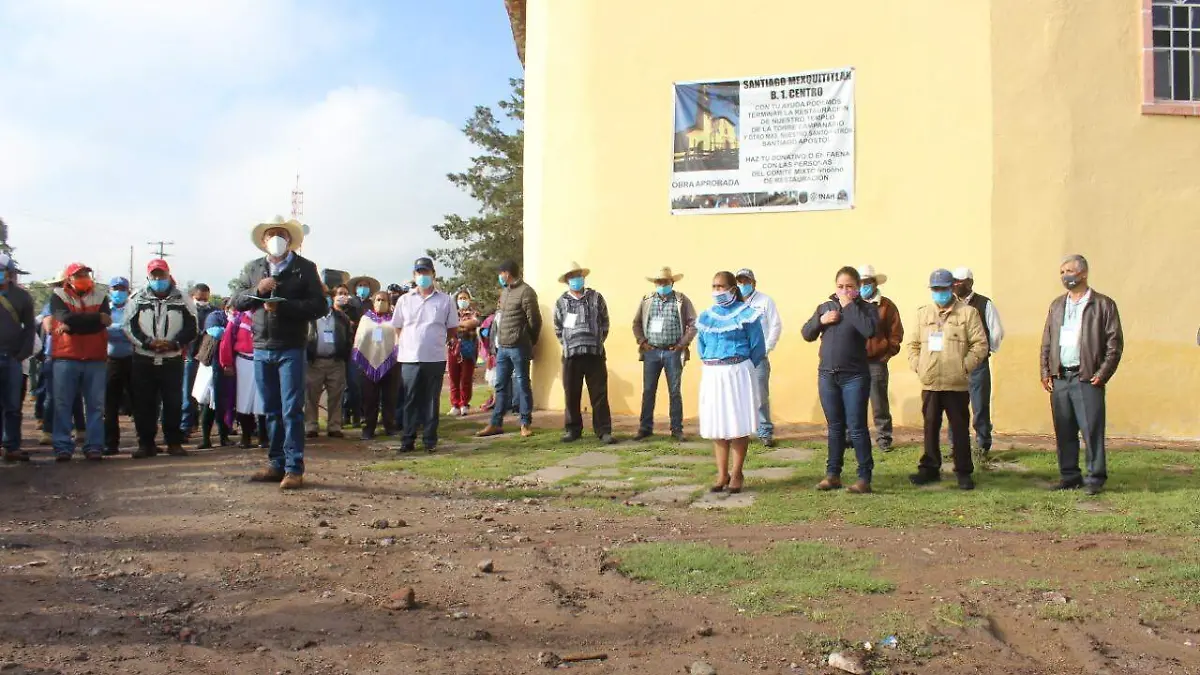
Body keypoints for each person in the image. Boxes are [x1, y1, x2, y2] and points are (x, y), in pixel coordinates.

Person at [230, 216, 327, 489]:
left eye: (281, 234)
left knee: (291, 410)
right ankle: (276, 463)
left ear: (290, 240)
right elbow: (236, 300)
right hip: (262, 347)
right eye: (270, 235)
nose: (276, 239)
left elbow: (319, 306)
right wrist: (257, 290)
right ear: (263, 242)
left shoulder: (304, 268)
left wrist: (284, 306)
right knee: (271, 410)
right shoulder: (253, 268)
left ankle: (294, 468)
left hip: (291, 347)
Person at [1040, 254, 1123, 495]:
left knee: (1091, 430)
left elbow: (1114, 344)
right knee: (1064, 429)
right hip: (1060, 377)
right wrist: (1045, 370)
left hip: (1087, 377)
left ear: (1083, 273)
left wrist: (1102, 374)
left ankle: (1095, 477)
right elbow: (1047, 340)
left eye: (1069, 271)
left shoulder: (1103, 305)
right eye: (1062, 272)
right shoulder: (1057, 305)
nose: (1065, 276)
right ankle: (1069, 475)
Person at [906, 269, 989, 490]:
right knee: (930, 426)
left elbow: (980, 345)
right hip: (930, 381)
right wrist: (918, 365)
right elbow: (912, 345)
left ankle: (963, 471)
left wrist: (964, 367)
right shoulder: (923, 314)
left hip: (956, 383)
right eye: (935, 289)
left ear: (952, 288)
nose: (939, 292)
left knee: (959, 428)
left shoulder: (968, 313)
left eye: (943, 288)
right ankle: (929, 469)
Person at [801, 266, 879, 494]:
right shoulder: (825, 307)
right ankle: (833, 474)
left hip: (854, 376)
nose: (844, 291)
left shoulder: (866, 309)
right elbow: (806, 333)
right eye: (840, 286)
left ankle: (864, 477)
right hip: (827, 375)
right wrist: (821, 320)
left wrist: (849, 307)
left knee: (857, 427)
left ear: (858, 288)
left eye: (849, 287)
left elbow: (869, 330)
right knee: (835, 427)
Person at [697, 271, 765, 493]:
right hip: (713, 373)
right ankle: (721, 474)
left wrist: (741, 365)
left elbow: (758, 346)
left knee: (737, 423)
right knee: (717, 424)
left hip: (737, 372)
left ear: (733, 289)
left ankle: (737, 473)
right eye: (714, 286)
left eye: (721, 287)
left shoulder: (746, 314)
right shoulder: (706, 316)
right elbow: (701, 346)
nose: (717, 291)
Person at [124, 259, 198, 458]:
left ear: (168, 275)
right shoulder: (137, 298)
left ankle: (173, 442)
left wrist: (174, 343)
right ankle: (146, 444)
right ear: (148, 277)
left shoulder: (183, 298)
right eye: (154, 275)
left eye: (161, 275)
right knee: (144, 403)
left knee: (173, 402)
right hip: (144, 359)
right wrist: (148, 343)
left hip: (172, 359)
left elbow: (193, 327)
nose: (158, 279)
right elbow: (128, 326)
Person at [392, 257, 459, 452]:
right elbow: (397, 326)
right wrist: (409, 342)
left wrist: (436, 341)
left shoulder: (445, 300)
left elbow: (452, 328)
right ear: (414, 275)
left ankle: (430, 441)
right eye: (419, 272)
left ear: (433, 274)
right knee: (410, 399)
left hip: (434, 357)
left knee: (431, 400)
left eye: (426, 272)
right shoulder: (404, 300)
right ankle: (408, 439)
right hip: (409, 358)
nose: (423, 276)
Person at [48, 263, 112, 461]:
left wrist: (72, 326)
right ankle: (62, 447)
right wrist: (95, 318)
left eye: (86, 274)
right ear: (69, 279)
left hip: (95, 357)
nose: (84, 277)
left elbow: (101, 324)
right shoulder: (59, 295)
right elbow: (64, 317)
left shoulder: (101, 296)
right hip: (66, 356)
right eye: (78, 275)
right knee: (62, 404)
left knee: (96, 406)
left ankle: (94, 446)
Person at [477, 260, 542, 438]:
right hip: (503, 347)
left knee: (522, 383)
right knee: (500, 385)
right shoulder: (505, 292)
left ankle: (525, 423)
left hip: (519, 346)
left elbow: (535, 320)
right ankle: (496, 423)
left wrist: (529, 340)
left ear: (507, 273)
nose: (499, 276)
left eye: (501, 273)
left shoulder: (526, 292)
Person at [632, 267, 697, 442]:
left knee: (674, 392)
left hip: (672, 352)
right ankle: (645, 428)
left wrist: (682, 344)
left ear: (672, 282)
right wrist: (642, 341)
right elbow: (636, 323)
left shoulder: (681, 300)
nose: (662, 285)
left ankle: (677, 429)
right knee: (648, 390)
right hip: (651, 352)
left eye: (665, 282)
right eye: (659, 282)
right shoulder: (647, 300)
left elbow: (693, 324)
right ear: (655, 283)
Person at [553, 262, 614, 444]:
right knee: (571, 394)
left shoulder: (596, 297)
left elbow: (605, 322)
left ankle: (603, 431)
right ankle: (573, 430)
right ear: (567, 280)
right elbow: (558, 327)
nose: (576, 279)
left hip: (594, 353)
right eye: (572, 276)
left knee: (599, 394)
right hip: (571, 355)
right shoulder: (561, 302)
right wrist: (568, 343)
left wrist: (597, 340)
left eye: (578, 275)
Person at [952, 267, 1005, 462]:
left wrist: (985, 352)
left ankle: (982, 445)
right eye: (954, 281)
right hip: (955, 364)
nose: (955, 285)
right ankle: (956, 446)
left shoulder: (984, 303)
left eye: (959, 281)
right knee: (955, 407)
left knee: (980, 406)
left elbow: (996, 331)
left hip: (977, 364)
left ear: (970, 283)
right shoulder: (951, 305)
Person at [857, 264, 904, 453]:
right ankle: (853, 436)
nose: (863, 286)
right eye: (860, 282)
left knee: (879, 403)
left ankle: (884, 437)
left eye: (867, 282)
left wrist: (886, 353)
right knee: (854, 401)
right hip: (854, 361)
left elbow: (896, 333)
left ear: (875, 283)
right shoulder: (851, 305)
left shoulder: (887, 306)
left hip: (876, 361)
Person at [734, 268, 782, 447]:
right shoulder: (734, 304)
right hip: (739, 357)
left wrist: (766, 349)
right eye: (740, 281)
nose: (743, 285)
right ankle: (741, 431)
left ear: (754, 283)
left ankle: (764, 431)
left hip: (759, 357)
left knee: (760, 395)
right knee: (739, 395)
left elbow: (776, 326)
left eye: (746, 281)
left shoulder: (765, 301)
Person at [0, 252, 36, 462]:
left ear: (10, 273)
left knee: (13, 405)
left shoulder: (22, 297)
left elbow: (30, 328)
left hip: (11, 358)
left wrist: (22, 354)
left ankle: (12, 446)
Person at [305, 285, 351, 439]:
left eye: (327, 296)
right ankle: (311, 426)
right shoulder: (309, 317)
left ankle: (334, 426)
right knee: (311, 396)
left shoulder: (342, 317)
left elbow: (348, 337)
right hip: (314, 362)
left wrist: (344, 355)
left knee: (336, 396)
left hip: (335, 362)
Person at [353, 291, 399, 440]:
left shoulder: (394, 320)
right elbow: (359, 339)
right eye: (378, 300)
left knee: (389, 398)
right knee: (369, 398)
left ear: (389, 303)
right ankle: (369, 428)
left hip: (391, 364)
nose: (380, 302)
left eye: (384, 300)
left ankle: (389, 426)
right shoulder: (365, 319)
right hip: (368, 363)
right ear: (373, 303)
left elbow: (398, 339)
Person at [219, 306, 267, 449]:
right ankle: (246, 437)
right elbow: (227, 340)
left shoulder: (269, 313)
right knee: (243, 401)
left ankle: (264, 437)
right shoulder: (238, 317)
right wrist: (226, 363)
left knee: (263, 400)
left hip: (264, 360)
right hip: (243, 361)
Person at [102, 277, 135, 455]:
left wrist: (114, 329)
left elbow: (136, 331)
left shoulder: (135, 308)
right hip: (111, 361)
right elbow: (103, 331)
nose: (118, 292)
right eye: (115, 288)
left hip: (133, 359)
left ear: (128, 291)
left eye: (122, 288)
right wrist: (123, 329)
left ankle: (145, 441)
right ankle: (110, 443)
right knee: (110, 404)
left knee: (139, 402)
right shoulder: (104, 309)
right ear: (109, 290)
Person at [343, 275, 379, 428]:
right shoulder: (350, 303)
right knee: (349, 383)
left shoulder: (372, 305)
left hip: (368, 347)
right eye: (360, 285)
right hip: (352, 345)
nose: (363, 288)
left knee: (364, 383)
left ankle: (362, 414)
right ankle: (346, 414)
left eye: (365, 285)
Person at [193, 308, 232, 449]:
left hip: (227, 366)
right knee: (208, 404)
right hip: (211, 366)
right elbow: (216, 332)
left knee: (224, 403)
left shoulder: (236, 319)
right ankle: (206, 439)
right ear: (226, 308)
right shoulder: (215, 316)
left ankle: (224, 437)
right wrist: (233, 330)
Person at [180, 283, 213, 439]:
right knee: (188, 395)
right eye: (199, 299)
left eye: (205, 299)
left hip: (206, 358)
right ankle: (185, 426)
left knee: (205, 394)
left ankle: (202, 426)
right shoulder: (186, 311)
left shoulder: (213, 312)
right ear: (192, 296)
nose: (202, 302)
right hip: (190, 357)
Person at [448, 288, 480, 417]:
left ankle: (464, 403)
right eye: (460, 298)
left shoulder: (474, 312)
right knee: (453, 378)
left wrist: (458, 325)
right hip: (453, 349)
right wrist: (463, 325)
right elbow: (449, 326)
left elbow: (473, 323)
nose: (462, 300)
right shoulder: (452, 313)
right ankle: (455, 404)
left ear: (469, 300)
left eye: (464, 298)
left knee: (466, 378)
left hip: (468, 349)